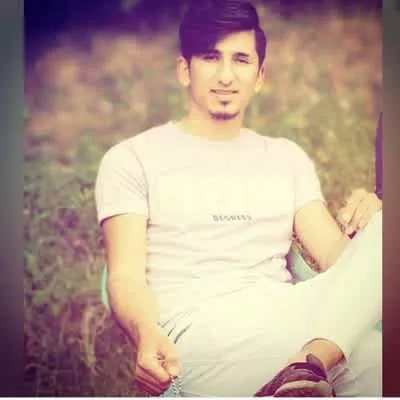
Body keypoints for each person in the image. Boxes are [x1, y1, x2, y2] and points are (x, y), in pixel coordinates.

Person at [94, 0, 382, 396]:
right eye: (211, 57)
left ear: (260, 76)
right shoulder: (132, 159)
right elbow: (124, 275)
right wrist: (145, 331)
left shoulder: (285, 158)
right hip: (205, 337)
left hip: (299, 321)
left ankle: (308, 363)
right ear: (185, 70)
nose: (226, 76)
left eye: (241, 60)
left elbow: (339, 261)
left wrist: (372, 221)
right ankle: (308, 366)